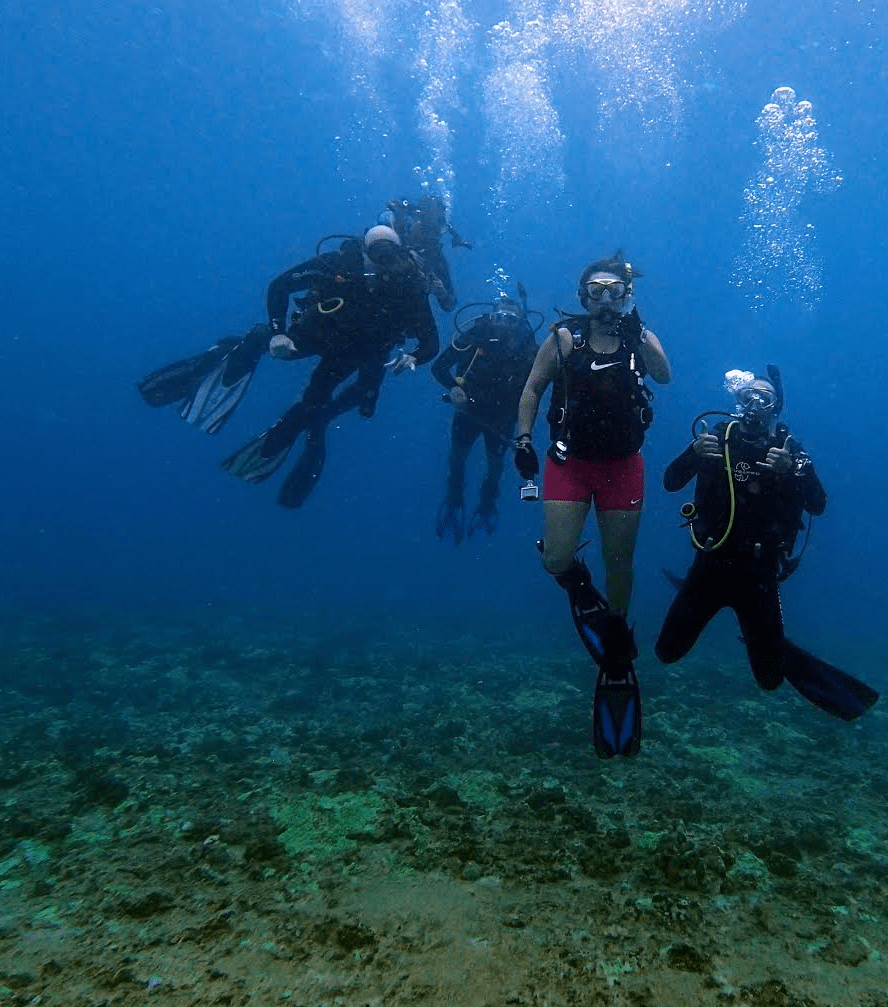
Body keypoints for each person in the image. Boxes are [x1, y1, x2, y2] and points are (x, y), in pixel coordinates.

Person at [513, 253, 672, 758]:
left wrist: (642, 332)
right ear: (582, 295)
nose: (605, 299)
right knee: (556, 560)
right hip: (570, 463)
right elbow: (533, 387)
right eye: (595, 290)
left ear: (625, 295)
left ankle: (618, 637)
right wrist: (521, 439)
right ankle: (577, 581)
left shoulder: (636, 338)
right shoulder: (563, 340)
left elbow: (664, 376)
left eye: (613, 291)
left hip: (623, 466)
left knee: (620, 563)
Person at [654, 368, 879, 721]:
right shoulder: (717, 439)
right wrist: (693, 454)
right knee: (666, 652)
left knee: (771, 680)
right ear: (737, 402)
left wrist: (794, 471)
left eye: (765, 398)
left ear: (776, 408)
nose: (755, 403)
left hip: (759, 575)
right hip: (710, 565)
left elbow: (818, 504)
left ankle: (766, 639)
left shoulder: (789, 450)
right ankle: (756, 631)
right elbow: (670, 481)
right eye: (748, 396)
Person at [221, 224, 440, 508]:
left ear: (401, 252)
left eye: (390, 253)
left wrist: (414, 357)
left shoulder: (408, 283)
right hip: (320, 333)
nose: (384, 260)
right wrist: (277, 331)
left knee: (359, 404)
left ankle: (309, 422)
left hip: (361, 352)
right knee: (285, 354)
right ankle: (255, 342)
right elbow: (280, 286)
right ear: (364, 251)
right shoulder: (341, 264)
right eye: (377, 253)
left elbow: (431, 342)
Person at [430, 288, 538, 543]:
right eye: (502, 315)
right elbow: (438, 368)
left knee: (493, 465)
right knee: (459, 459)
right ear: (492, 315)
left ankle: (485, 506)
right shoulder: (475, 334)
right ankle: (456, 501)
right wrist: (454, 388)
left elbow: (536, 384)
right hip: (469, 410)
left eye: (512, 317)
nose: (505, 322)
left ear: (521, 320)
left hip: (502, 416)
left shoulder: (525, 343)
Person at [137, 323, 273, 435]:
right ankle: (154, 392)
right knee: (197, 373)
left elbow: (197, 365)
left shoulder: (233, 345)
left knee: (195, 372)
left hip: (208, 372)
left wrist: (152, 384)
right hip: (223, 372)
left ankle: (152, 392)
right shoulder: (244, 354)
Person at [378, 194, 470, 313]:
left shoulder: (435, 259)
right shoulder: (396, 236)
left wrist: (441, 293)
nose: (431, 234)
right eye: (426, 226)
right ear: (415, 218)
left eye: (435, 229)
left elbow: (449, 305)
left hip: (405, 309)